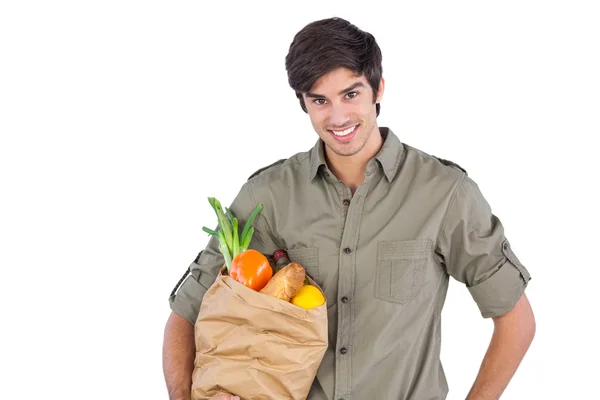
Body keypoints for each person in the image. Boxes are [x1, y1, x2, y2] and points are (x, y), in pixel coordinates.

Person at [162, 17, 535, 400]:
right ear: (302, 102)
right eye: (319, 100)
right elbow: (187, 312)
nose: (337, 118)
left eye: (351, 94)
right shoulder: (268, 196)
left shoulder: (444, 193)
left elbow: (516, 320)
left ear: (378, 90)